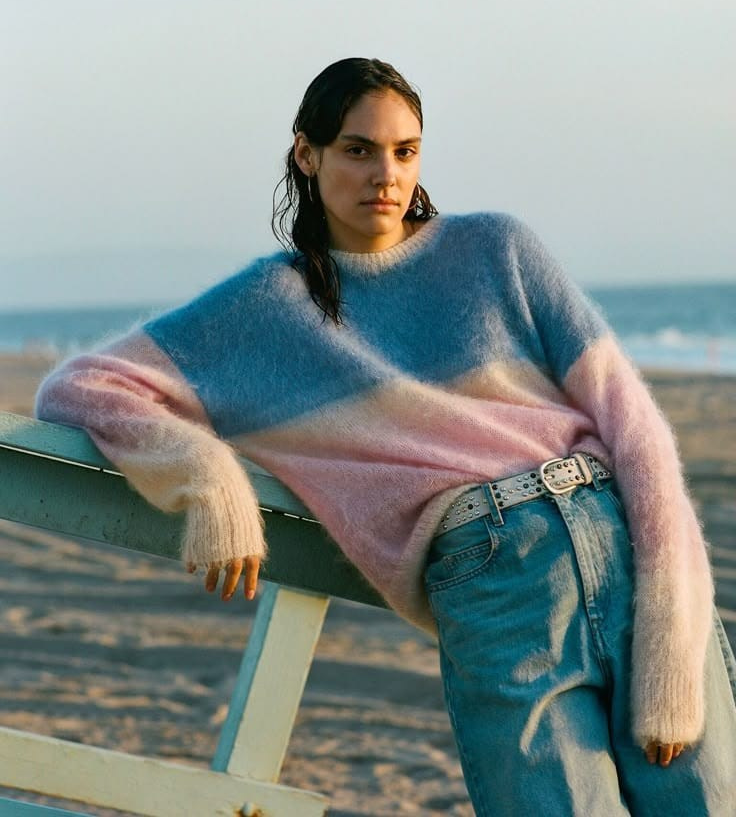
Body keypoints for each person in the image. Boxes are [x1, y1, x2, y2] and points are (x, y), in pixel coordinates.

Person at [36, 58, 736, 815]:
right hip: (495, 573)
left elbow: (634, 426)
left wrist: (670, 632)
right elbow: (80, 387)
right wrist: (206, 480)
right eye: (359, 149)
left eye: (405, 151)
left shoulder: (499, 249)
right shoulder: (266, 307)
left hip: (623, 540)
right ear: (307, 156)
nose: (386, 174)